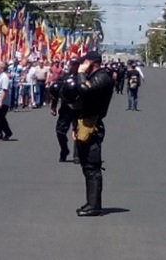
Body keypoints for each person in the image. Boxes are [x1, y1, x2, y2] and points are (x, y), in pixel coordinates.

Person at [70, 51, 114, 217]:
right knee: (86, 166)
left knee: (92, 167)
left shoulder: (103, 77)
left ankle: (95, 206)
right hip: (85, 123)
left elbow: (85, 91)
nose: (83, 64)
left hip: (93, 125)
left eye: (85, 61)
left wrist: (81, 73)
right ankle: (91, 202)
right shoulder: (95, 77)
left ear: (93, 62)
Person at [51, 59, 79, 163]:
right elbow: (56, 91)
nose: (73, 67)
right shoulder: (64, 78)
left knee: (78, 131)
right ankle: (64, 149)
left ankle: (77, 154)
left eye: (75, 65)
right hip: (66, 108)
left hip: (78, 108)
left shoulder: (82, 77)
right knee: (60, 131)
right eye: (72, 64)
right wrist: (53, 106)